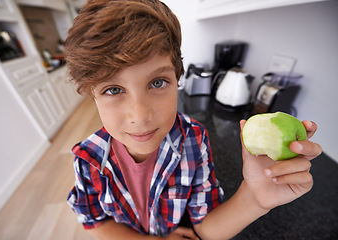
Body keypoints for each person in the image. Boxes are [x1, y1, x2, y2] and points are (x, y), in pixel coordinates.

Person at [65, 0, 322, 239]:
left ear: (178, 80)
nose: (140, 115)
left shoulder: (193, 140)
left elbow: (206, 227)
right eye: (113, 90)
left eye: (157, 82)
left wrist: (255, 197)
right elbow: (96, 222)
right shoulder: (89, 158)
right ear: (92, 94)